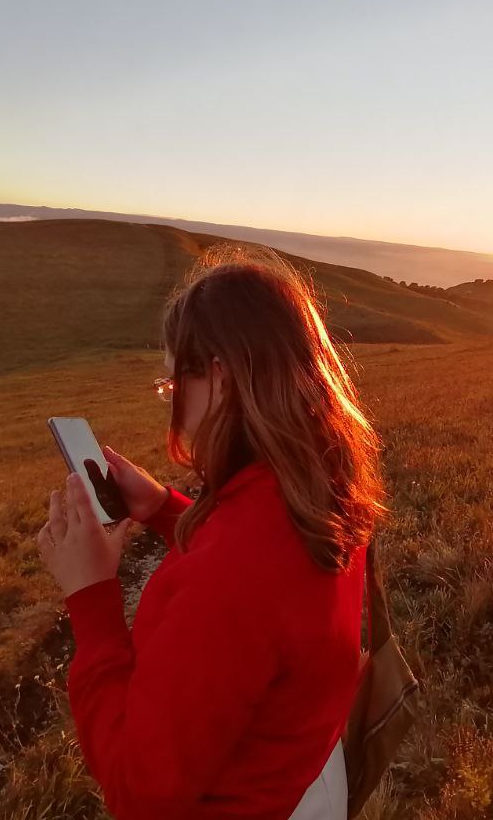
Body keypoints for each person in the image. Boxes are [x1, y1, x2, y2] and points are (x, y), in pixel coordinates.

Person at [36, 241, 390, 820]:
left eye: (174, 385)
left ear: (222, 379)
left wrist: (90, 596)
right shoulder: (319, 487)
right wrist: (162, 508)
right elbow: (272, 580)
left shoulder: (229, 580)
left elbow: (140, 793)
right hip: (307, 771)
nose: (170, 403)